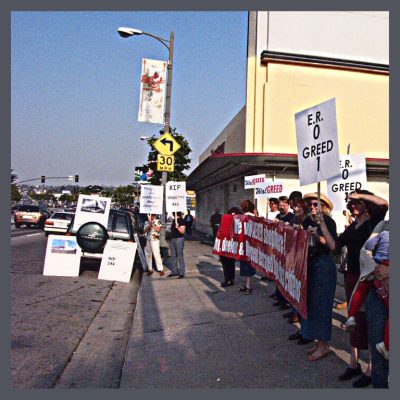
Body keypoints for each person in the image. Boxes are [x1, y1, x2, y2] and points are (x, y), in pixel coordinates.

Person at [337, 190, 388, 387]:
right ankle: (353, 362)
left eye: (357, 203)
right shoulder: (352, 227)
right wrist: (320, 226)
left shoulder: (374, 222)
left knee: (372, 321)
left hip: (370, 277)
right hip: (352, 277)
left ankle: (371, 367)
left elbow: (383, 202)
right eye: (350, 204)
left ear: (365, 204)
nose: (353, 206)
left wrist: (359, 194)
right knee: (354, 318)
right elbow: (334, 244)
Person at [299, 192, 338, 361]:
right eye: (311, 204)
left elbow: (332, 246)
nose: (313, 207)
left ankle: (324, 345)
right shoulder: (307, 220)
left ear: (324, 207)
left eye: (317, 204)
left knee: (322, 305)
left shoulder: (328, 221)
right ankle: (317, 341)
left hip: (323, 264)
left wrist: (318, 234)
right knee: (311, 304)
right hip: (310, 264)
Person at [347, 220, 389, 362]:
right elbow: (365, 251)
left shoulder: (382, 232)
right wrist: (378, 271)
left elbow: (370, 246)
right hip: (375, 276)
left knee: (359, 293)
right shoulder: (383, 225)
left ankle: (351, 316)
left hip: (376, 275)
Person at [272, 195, 296, 309]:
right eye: (280, 205)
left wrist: (281, 222)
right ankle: (279, 298)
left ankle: (286, 301)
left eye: (284, 205)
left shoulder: (291, 217)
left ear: (288, 206)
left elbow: (291, 228)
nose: (281, 207)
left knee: (285, 275)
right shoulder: (277, 215)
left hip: (288, 249)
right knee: (278, 273)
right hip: (279, 248)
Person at [220, 207, 242, 287]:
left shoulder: (230, 221)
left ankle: (228, 280)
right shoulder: (239, 222)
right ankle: (230, 279)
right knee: (230, 263)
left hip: (227, 245)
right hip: (231, 246)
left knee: (226, 263)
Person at [238, 199, 256, 294]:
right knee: (247, 264)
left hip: (246, 243)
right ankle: (246, 285)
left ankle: (248, 286)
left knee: (246, 264)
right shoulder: (253, 217)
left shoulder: (244, 217)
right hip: (250, 244)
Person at [168, 212, 186, 279]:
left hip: (179, 239)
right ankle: (174, 271)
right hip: (172, 239)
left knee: (180, 256)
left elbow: (182, 231)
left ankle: (181, 273)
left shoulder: (182, 220)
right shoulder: (174, 220)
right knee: (173, 256)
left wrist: (178, 226)